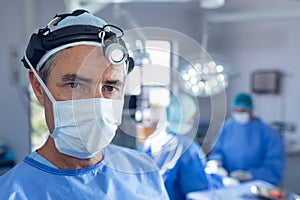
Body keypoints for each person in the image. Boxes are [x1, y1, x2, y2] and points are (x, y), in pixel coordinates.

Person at [0, 9, 169, 199]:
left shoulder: (144, 172)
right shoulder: (11, 193)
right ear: (39, 87)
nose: (96, 103)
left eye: (110, 87)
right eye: (75, 85)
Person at [141, 93, 221, 200]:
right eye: (192, 115)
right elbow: (199, 191)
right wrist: (220, 182)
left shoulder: (152, 140)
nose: (194, 118)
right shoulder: (188, 149)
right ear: (185, 116)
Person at [208, 92, 286, 185]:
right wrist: (216, 162)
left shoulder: (269, 134)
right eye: (236, 111)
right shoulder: (227, 127)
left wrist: (250, 175)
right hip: (227, 182)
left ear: (250, 110)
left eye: (242, 111)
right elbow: (217, 150)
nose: (239, 114)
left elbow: (273, 169)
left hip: (255, 185)